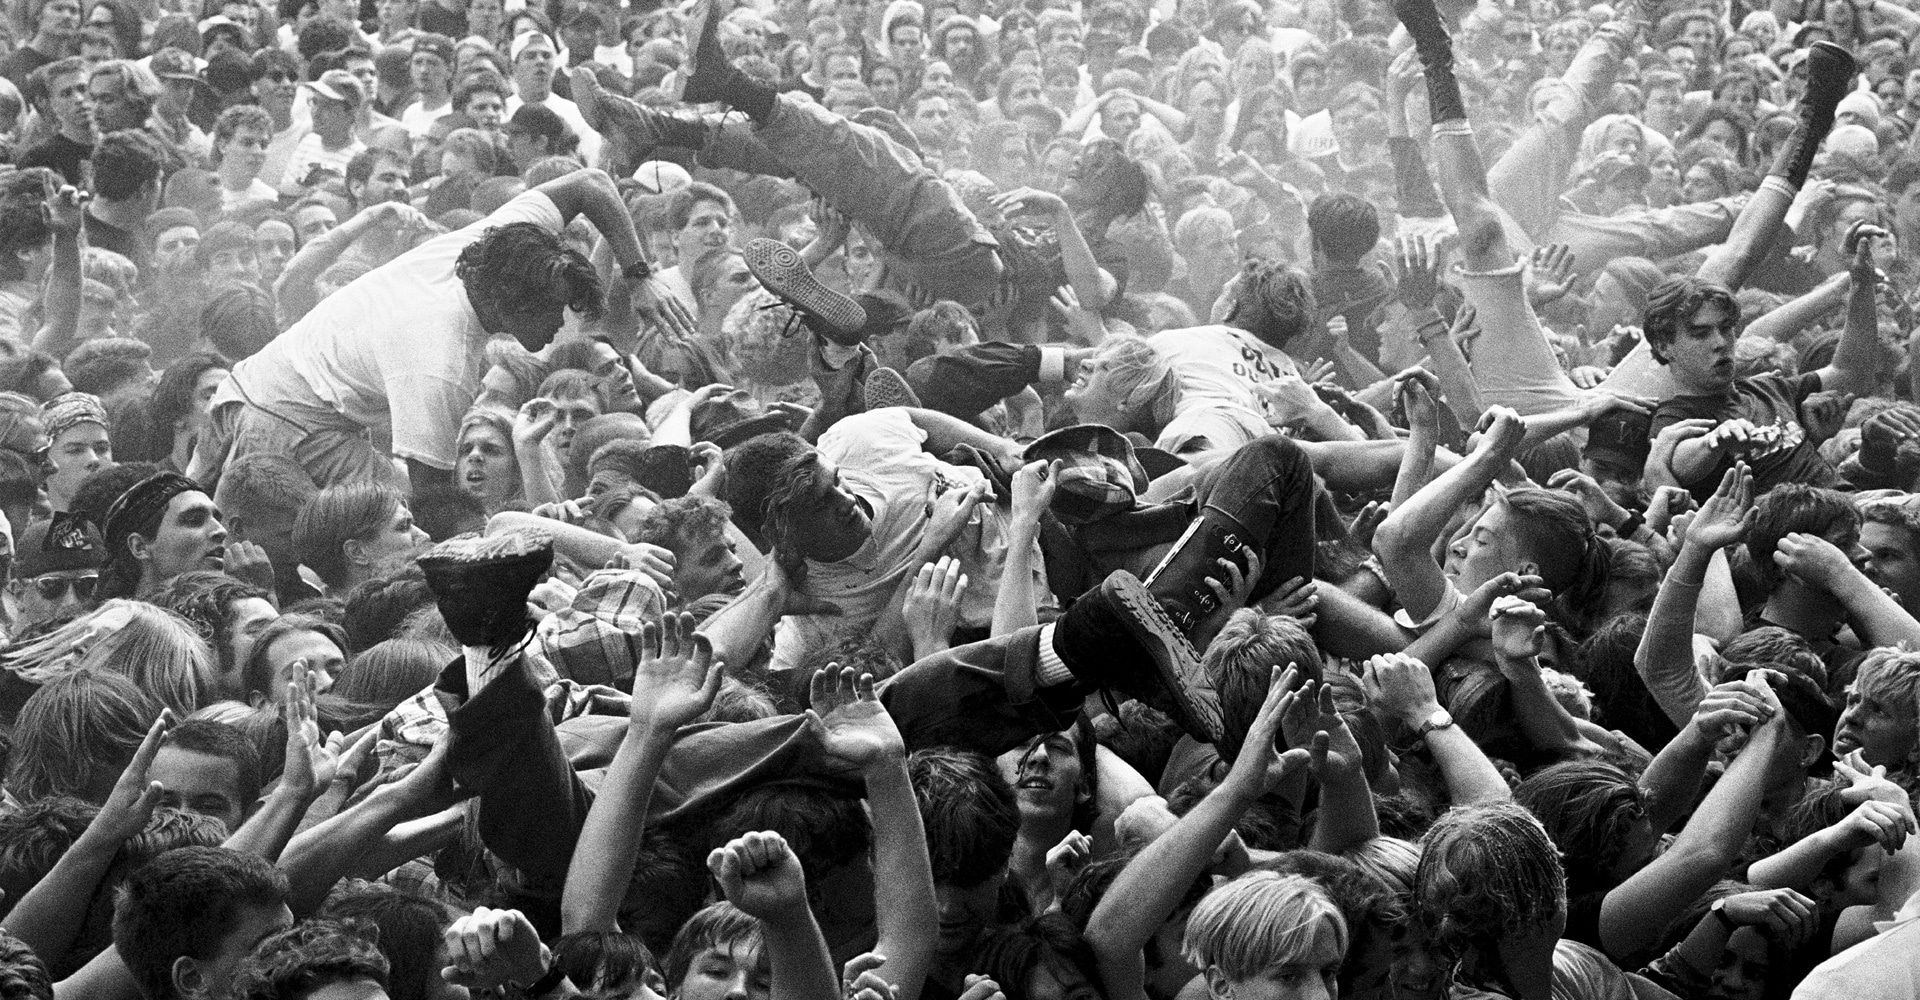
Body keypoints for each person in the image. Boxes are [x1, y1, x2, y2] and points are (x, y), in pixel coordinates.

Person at [206, 166, 691, 490]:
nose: (562, 324)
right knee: (377, 530)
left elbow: (592, 184)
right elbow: (434, 497)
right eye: (553, 311)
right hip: (291, 424)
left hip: (258, 385)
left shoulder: (498, 243)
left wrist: (639, 275)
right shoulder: (441, 361)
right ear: (512, 305)